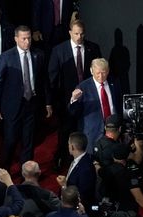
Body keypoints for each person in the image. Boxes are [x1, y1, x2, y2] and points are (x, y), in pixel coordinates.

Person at [0, 26, 53, 168]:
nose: (27, 41)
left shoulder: (39, 55)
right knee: (10, 141)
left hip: (31, 105)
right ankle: (3, 171)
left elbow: (44, 81)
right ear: (16, 39)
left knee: (29, 142)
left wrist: (48, 103)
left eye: (29, 38)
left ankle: (27, 176)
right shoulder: (7, 56)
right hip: (12, 107)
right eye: (23, 38)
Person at [47, 20, 102, 166]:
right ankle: (64, 161)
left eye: (82, 33)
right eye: (76, 33)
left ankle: (86, 162)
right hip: (66, 101)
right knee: (66, 132)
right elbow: (52, 78)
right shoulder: (59, 50)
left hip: (89, 100)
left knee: (86, 131)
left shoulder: (93, 49)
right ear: (70, 32)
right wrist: (53, 102)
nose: (79, 37)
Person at [69, 58, 123, 152]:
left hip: (113, 132)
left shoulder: (114, 83)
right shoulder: (83, 87)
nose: (101, 76)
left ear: (108, 70)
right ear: (91, 71)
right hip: (93, 134)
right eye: (98, 73)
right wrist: (74, 99)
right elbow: (73, 113)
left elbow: (119, 105)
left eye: (104, 72)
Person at [56, 132, 97, 208]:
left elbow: (82, 195)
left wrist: (64, 185)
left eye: (68, 144)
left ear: (72, 147)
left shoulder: (86, 169)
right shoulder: (79, 159)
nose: (68, 146)